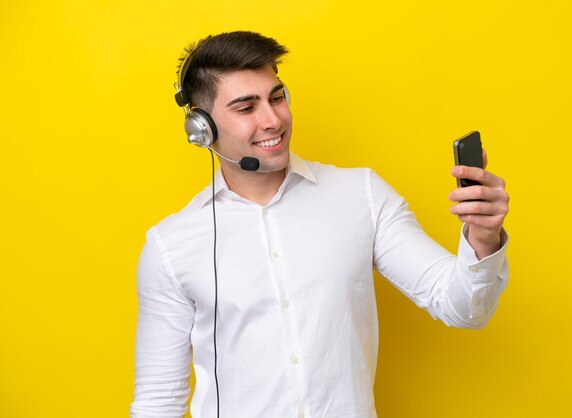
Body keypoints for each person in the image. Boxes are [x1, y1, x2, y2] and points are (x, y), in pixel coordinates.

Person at [130, 31, 510, 418]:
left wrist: (483, 237)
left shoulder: (362, 194)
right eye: (246, 108)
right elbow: (157, 402)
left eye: (277, 98)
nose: (272, 120)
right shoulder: (170, 246)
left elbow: (462, 308)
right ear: (201, 128)